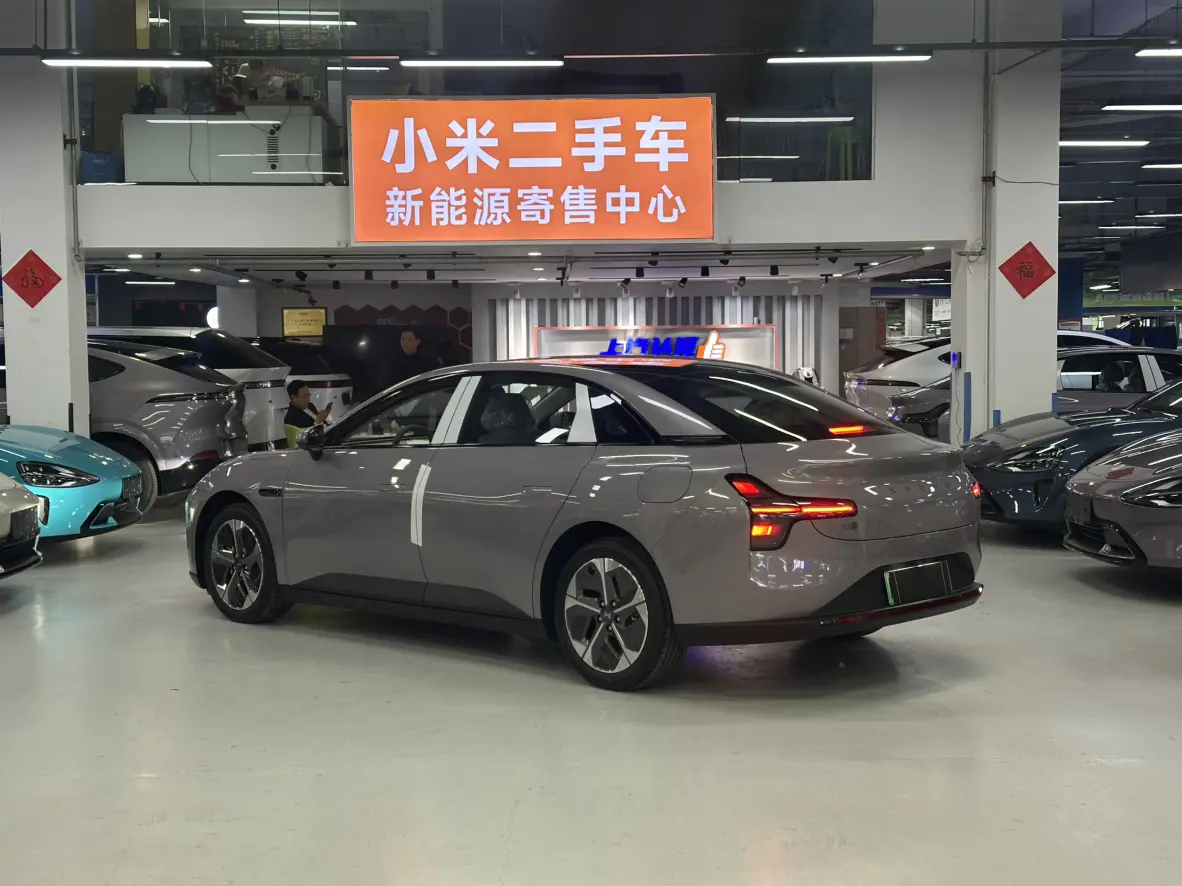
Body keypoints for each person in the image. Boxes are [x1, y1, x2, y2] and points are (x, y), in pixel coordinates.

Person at [284, 379, 331, 448]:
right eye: (305, 396)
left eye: (308, 395)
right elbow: (307, 441)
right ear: (293, 397)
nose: (308, 399)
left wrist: (323, 417)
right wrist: (317, 422)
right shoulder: (291, 418)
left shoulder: (310, 406)